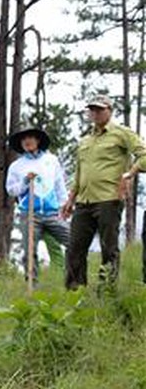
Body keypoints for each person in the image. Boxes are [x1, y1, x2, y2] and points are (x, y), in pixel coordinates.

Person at [61, 95, 146, 288]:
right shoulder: (85, 141)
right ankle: (75, 293)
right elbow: (79, 173)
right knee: (74, 248)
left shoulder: (121, 133)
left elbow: (144, 156)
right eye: (92, 110)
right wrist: (70, 199)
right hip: (83, 202)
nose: (96, 113)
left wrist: (130, 173)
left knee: (109, 249)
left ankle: (107, 292)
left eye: (100, 109)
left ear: (110, 110)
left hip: (109, 199)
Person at [5, 126, 70, 284]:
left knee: (74, 241)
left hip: (52, 213)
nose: (27, 141)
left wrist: (65, 205)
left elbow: (59, 185)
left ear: (38, 140)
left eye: (31, 138)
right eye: (24, 139)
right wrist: (25, 181)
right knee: (29, 251)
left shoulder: (51, 160)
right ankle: (32, 287)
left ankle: (73, 280)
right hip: (29, 214)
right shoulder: (16, 166)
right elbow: (11, 190)